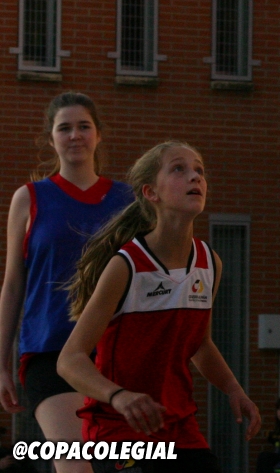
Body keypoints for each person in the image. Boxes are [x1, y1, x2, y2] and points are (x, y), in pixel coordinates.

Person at [57, 141, 261, 473]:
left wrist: (233, 389)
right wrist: (119, 396)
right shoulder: (126, 265)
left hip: (179, 427)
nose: (195, 176)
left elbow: (200, 344)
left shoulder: (209, 263)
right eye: (179, 169)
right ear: (151, 192)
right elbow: (69, 359)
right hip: (119, 429)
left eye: (199, 170)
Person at [0, 93, 133, 473]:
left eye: (83, 126)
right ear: (51, 138)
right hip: (50, 353)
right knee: (74, 465)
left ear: (98, 135)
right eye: (65, 128)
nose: (75, 135)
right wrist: (2, 364)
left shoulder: (128, 201)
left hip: (115, 353)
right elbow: (13, 285)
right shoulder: (29, 199)